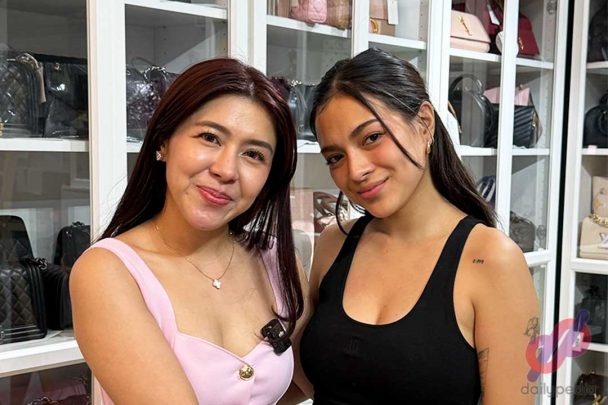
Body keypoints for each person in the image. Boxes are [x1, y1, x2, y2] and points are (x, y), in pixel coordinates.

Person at [298, 48, 540, 404]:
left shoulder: (491, 259)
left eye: (371, 137)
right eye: (335, 157)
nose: (355, 170)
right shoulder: (335, 242)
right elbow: (311, 382)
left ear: (424, 123)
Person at [70, 58, 311, 404]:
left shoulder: (274, 259)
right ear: (163, 141)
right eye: (209, 138)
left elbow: (304, 382)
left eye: (253, 154)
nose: (226, 170)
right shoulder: (109, 272)